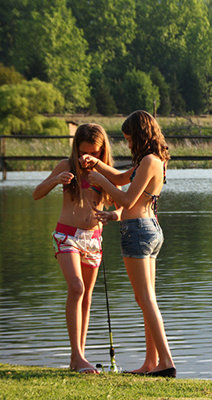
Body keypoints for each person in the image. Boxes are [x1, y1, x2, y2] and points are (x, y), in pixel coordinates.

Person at [82, 110, 175, 378]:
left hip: (137, 231)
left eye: (129, 138)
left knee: (145, 299)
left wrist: (100, 182)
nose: (128, 143)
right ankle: (151, 363)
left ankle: (166, 362)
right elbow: (122, 178)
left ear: (140, 134)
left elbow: (125, 201)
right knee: (146, 299)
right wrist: (97, 164)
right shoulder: (154, 160)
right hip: (151, 230)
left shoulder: (147, 160)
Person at [33, 123, 116, 374]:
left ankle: (77, 358)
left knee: (87, 297)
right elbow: (37, 193)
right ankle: (77, 356)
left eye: (94, 153)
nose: (87, 158)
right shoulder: (66, 166)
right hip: (66, 236)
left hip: (93, 239)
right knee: (76, 288)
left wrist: (113, 215)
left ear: (102, 152)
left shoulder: (105, 172)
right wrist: (56, 180)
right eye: (82, 152)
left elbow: (124, 203)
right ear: (75, 149)